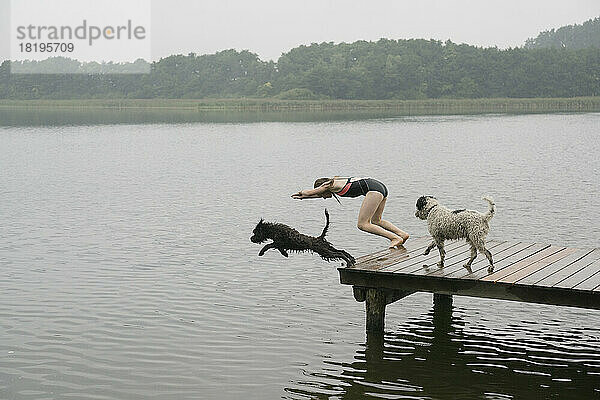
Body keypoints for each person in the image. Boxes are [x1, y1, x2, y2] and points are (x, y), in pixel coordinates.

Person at [291, 176, 409, 248]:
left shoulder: (328, 185)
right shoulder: (335, 182)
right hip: (380, 187)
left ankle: (394, 238)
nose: (323, 197)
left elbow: (310, 192)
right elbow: (315, 194)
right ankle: (402, 234)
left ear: (321, 188)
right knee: (376, 220)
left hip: (373, 190)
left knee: (362, 224)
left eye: (322, 194)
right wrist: (304, 198)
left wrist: (302, 193)